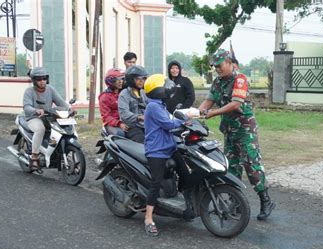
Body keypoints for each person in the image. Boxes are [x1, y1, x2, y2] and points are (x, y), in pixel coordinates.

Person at [198, 49, 275, 221]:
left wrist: (212, 113)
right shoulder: (218, 82)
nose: (217, 69)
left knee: (251, 165)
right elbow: (208, 101)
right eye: (215, 66)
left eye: (219, 65)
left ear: (229, 62)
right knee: (231, 167)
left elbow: (235, 104)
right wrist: (196, 112)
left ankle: (265, 200)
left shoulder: (239, 79)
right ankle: (235, 203)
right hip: (230, 129)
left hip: (245, 130)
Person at [142, 74, 190, 236]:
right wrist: (185, 122)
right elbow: (168, 124)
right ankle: (148, 218)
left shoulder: (160, 105)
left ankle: (184, 203)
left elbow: (172, 119)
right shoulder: (153, 107)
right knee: (155, 183)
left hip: (169, 146)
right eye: (165, 86)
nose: (169, 88)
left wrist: (185, 121)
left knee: (185, 173)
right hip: (156, 150)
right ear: (158, 91)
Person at [22, 67, 69, 170]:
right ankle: (34, 156)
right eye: (39, 79)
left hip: (48, 117)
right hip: (33, 118)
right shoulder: (29, 91)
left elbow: (61, 102)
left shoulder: (50, 89)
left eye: (44, 78)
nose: (42, 81)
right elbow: (26, 107)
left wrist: (70, 109)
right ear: (34, 80)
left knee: (60, 129)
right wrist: (36, 110)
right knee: (40, 129)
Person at [118, 65, 148, 143]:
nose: (141, 81)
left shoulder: (143, 92)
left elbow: (151, 105)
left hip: (146, 125)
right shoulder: (124, 94)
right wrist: (138, 117)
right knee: (142, 142)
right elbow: (124, 114)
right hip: (132, 127)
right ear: (131, 79)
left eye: (143, 78)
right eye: (138, 78)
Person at [99, 68, 128, 136]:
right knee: (120, 134)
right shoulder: (104, 97)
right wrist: (119, 123)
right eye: (118, 80)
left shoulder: (125, 93)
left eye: (122, 79)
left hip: (126, 122)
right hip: (113, 124)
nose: (121, 81)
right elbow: (106, 117)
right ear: (110, 81)